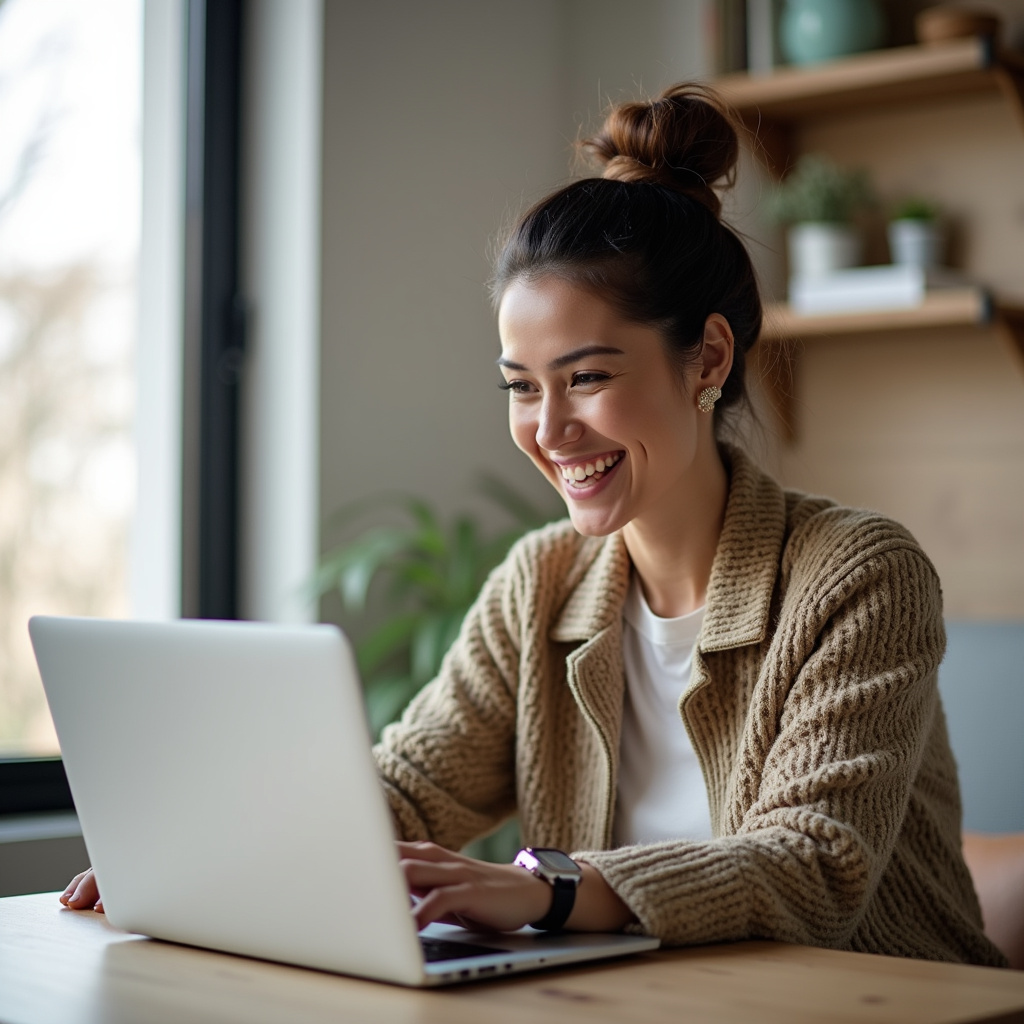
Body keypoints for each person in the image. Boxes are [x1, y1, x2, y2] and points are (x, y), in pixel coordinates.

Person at [61, 82, 1006, 967]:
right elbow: (405, 792)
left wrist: (546, 890)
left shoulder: (858, 574)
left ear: (708, 358)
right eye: (521, 387)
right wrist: (203, 862)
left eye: (587, 377)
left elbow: (811, 866)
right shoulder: (541, 580)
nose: (549, 431)